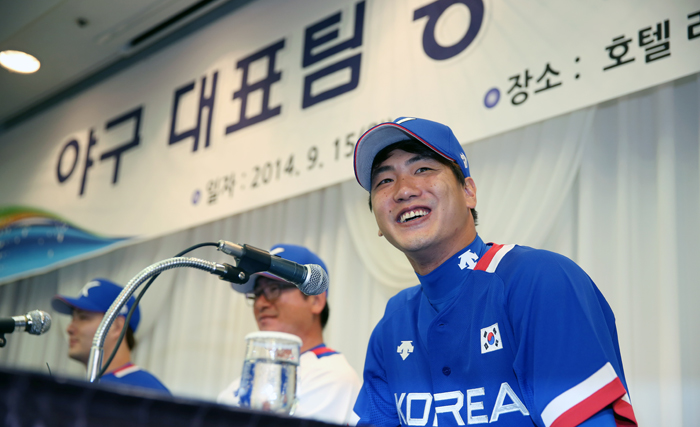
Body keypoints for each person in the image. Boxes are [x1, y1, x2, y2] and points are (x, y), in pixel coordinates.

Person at [350, 117, 637, 427]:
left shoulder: (537, 280)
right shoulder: (393, 322)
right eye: (384, 181)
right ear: (377, 224)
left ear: (469, 192)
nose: (404, 191)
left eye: (423, 169)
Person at [217, 244, 361, 424]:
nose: (260, 304)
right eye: (257, 293)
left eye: (274, 289)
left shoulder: (331, 376)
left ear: (316, 300)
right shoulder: (242, 382)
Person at [52, 278, 170, 394]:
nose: (69, 328)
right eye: (72, 318)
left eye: (83, 317)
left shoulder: (145, 391)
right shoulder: (91, 389)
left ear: (117, 327)